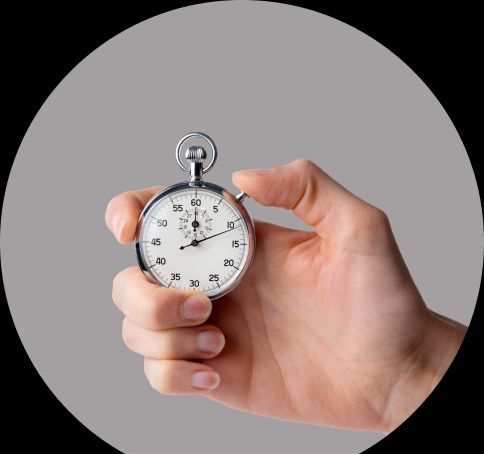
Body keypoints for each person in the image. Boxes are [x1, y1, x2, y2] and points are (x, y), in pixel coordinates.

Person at [105, 158, 466, 433]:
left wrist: (408, 370)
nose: (196, 239)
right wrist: (406, 377)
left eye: (204, 237)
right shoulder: (170, 223)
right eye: (191, 239)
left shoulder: (232, 233)